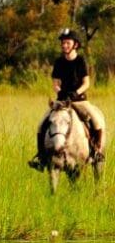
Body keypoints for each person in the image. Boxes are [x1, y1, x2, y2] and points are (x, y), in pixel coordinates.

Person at [29, 28, 106, 170]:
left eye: (67, 43)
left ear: (75, 44)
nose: (64, 45)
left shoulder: (80, 60)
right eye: (63, 43)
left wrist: (76, 93)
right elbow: (55, 84)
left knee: (96, 120)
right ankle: (41, 157)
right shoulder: (59, 62)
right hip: (62, 101)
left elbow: (86, 83)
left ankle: (96, 151)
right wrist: (61, 91)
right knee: (41, 124)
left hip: (80, 100)